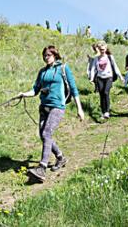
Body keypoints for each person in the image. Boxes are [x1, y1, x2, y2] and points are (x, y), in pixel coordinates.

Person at [17, 45, 84, 181]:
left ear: (55, 55)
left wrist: (79, 109)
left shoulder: (63, 69)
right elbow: (35, 90)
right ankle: (61, 158)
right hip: (44, 107)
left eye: (48, 55)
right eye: (44, 55)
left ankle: (42, 168)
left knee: (47, 133)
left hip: (57, 107)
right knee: (43, 135)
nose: (46, 57)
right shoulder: (42, 72)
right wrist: (24, 94)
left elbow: (74, 89)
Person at [89, 41, 125, 119]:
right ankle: (103, 112)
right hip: (99, 78)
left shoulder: (109, 57)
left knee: (106, 92)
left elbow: (115, 67)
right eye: (100, 49)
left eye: (103, 49)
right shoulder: (96, 58)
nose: (102, 51)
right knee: (101, 95)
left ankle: (107, 112)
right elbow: (93, 69)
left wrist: (121, 76)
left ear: (106, 49)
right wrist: (91, 78)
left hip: (108, 77)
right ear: (98, 49)